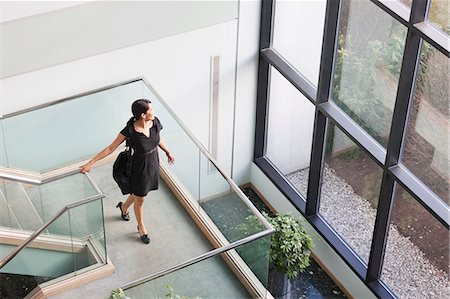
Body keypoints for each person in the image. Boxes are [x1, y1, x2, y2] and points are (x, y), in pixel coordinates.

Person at [80, 99, 174, 244]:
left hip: (153, 162)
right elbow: (110, 148)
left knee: (138, 193)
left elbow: (159, 139)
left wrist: (167, 151)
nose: (154, 111)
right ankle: (141, 227)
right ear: (143, 115)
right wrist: (90, 163)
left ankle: (123, 207)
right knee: (140, 198)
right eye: (151, 109)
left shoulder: (155, 123)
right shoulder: (130, 131)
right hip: (138, 167)